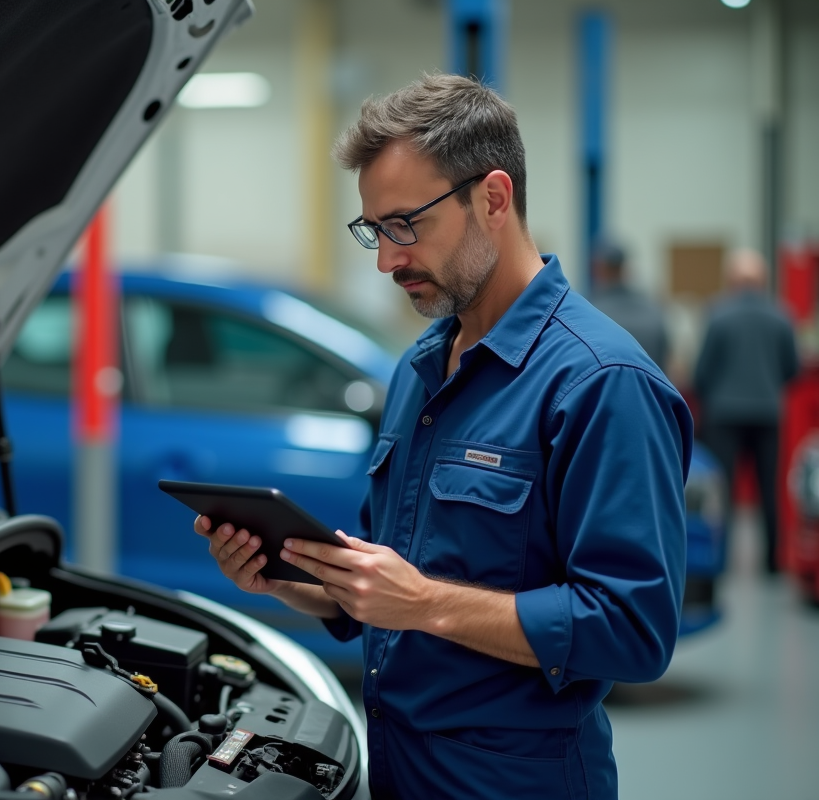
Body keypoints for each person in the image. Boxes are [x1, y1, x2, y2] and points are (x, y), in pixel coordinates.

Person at [193, 74, 692, 800]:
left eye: (406, 225)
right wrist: (294, 580)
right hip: (399, 770)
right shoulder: (422, 367)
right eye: (374, 230)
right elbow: (389, 580)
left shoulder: (600, 381)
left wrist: (424, 602)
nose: (386, 259)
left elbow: (633, 629)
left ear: (492, 199)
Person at [694, 249, 799, 573]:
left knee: (723, 490)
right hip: (768, 413)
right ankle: (772, 562)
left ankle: (721, 560)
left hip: (725, 416)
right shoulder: (782, 315)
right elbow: (792, 368)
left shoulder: (717, 314)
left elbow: (702, 371)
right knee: (769, 488)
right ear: (763, 280)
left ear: (732, 280)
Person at [590, 242, 670, 371]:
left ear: (599, 269)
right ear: (625, 268)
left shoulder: (590, 312)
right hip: (648, 388)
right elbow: (664, 361)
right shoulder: (652, 309)